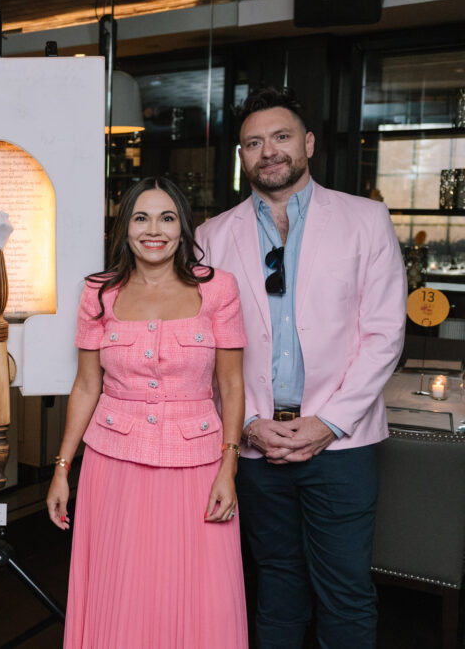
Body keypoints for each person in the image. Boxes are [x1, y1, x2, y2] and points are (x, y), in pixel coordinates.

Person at [195, 86, 407, 648]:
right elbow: (204, 351)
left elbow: (384, 334)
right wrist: (247, 425)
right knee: (277, 587)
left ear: (307, 143)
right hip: (256, 443)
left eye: (281, 137)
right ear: (241, 158)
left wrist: (325, 423)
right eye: (253, 143)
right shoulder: (210, 237)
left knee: (345, 591)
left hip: (342, 444)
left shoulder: (366, 220)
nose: (268, 151)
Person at [47, 177, 248, 648]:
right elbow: (86, 386)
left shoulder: (218, 289)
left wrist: (229, 467)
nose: (153, 229)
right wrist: (61, 469)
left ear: (183, 227)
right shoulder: (99, 292)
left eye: (166, 217)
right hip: (113, 465)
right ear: (125, 227)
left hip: (196, 466)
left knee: (199, 592)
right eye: (141, 217)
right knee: (122, 587)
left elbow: (231, 384)